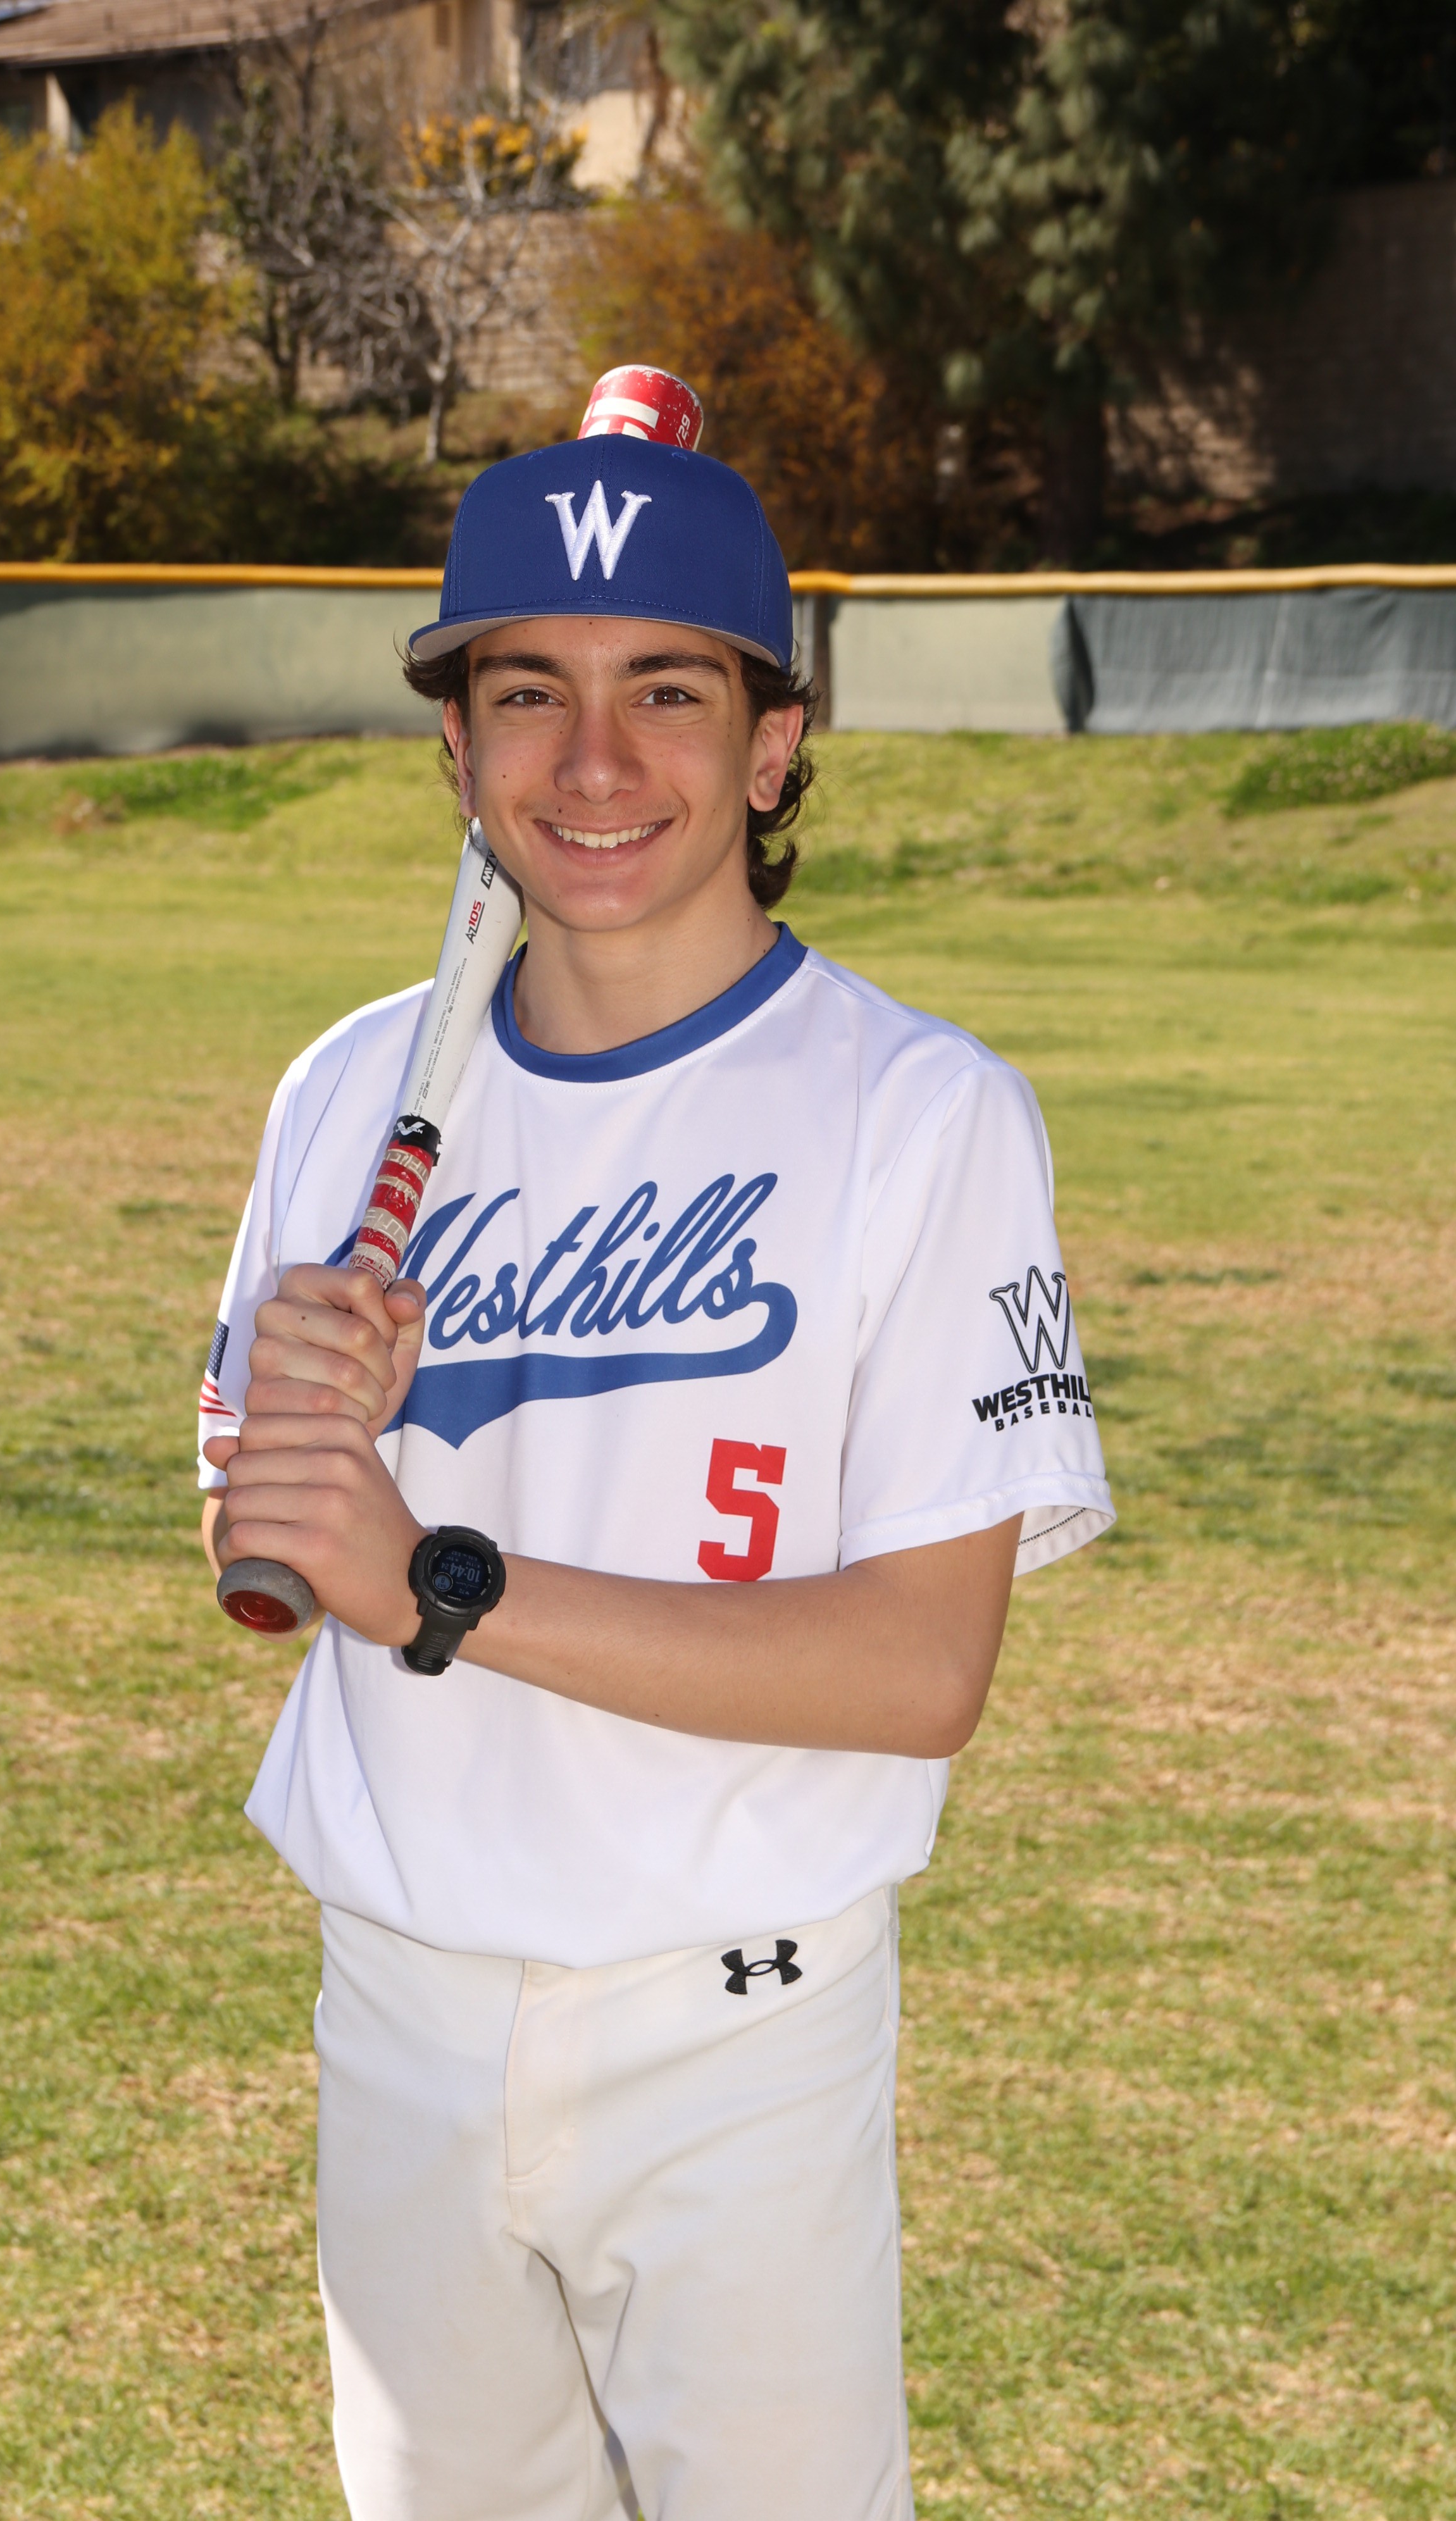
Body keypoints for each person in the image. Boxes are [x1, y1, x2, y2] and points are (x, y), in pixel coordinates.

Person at [197, 426, 1114, 2521]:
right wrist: (301, 1450)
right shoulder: (346, 1096)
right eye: (530, 689)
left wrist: (438, 1578)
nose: (594, 761)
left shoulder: (921, 1113)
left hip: (739, 2034)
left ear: (777, 745)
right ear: (456, 747)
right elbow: (258, 1548)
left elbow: (920, 1671)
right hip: (399, 2001)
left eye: (668, 692)